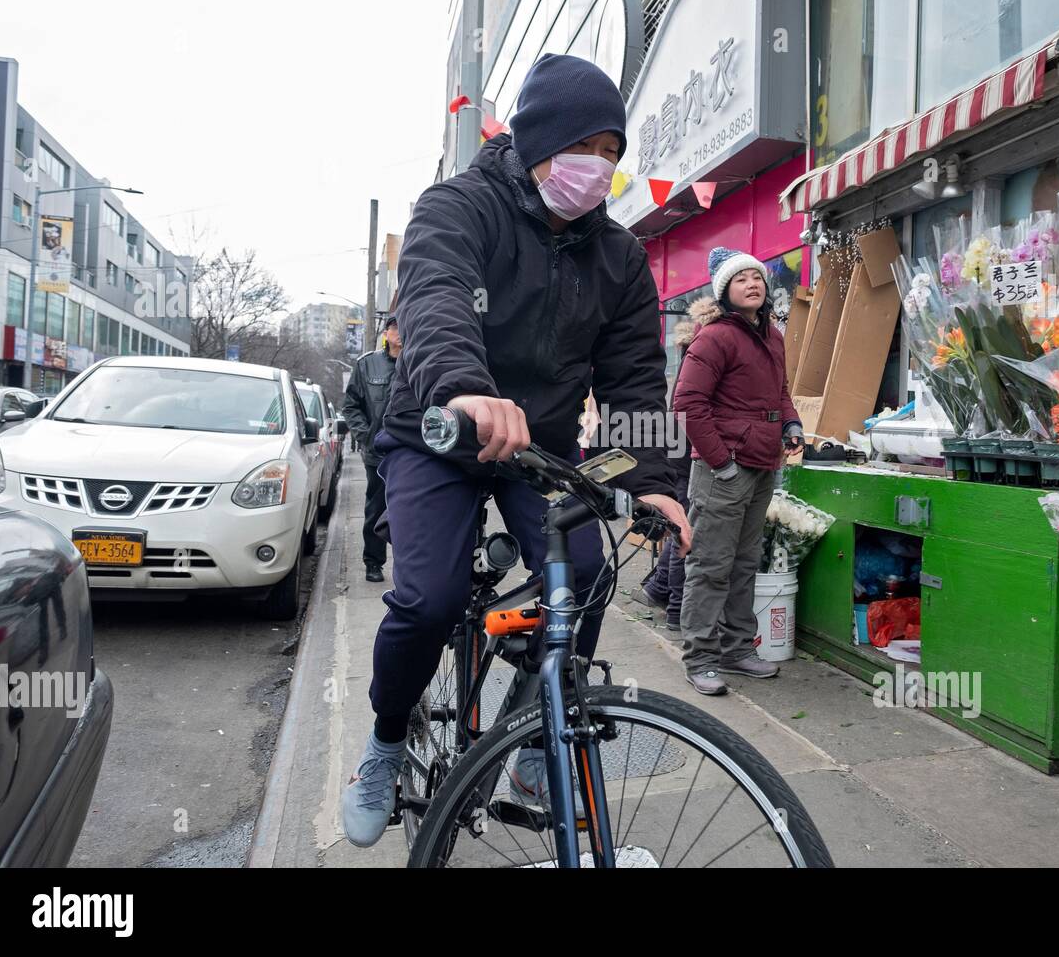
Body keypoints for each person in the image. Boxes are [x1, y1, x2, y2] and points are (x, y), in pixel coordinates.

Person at [340, 53, 692, 848]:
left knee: (589, 572)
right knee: (426, 599)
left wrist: (658, 481)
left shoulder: (621, 259)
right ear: (538, 140)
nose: (599, 169)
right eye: (586, 147)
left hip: (543, 446)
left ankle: (539, 731)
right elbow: (433, 294)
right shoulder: (459, 206)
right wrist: (465, 386)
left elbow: (637, 377)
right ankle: (386, 740)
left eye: (613, 153)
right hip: (441, 429)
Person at [673, 248, 802, 696]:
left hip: (763, 463)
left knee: (745, 562)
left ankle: (736, 648)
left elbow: (781, 391)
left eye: (758, 277)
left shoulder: (773, 337)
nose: (753, 283)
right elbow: (687, 405)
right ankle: (701, 657)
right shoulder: (715, 338)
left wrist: (791, 422)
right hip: (723, 469)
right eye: (741, 277)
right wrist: (720, 463)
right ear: (725, 291)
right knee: (711, 565)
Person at [633, 318, 699, 632]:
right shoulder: (700, 355)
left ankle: (658, 589)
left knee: (680, 528)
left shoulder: (689, 354)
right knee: (681, 530)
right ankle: (675, 608)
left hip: (679, 451)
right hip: (686, 454)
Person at [341, 317, 402, 584]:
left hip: (410, 452)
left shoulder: (421, 360)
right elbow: (351, 405)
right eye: (395, 328)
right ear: (386, 333)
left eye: (404, 327)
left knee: (411, 511)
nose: (400, 333)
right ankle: (373, 562)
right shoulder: (366, 364)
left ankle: (409, 567)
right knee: (375, 510)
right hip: (377, 453)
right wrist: (365, 435)